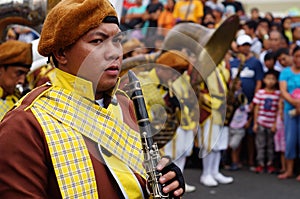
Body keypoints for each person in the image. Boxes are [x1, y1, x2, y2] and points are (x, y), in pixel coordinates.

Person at [0, 0, 185, 198]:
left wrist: (164, 180)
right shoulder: (25, 124)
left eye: (117, 41)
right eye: (97, 41)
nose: (114, 53)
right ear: (62, 53)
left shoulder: (124, 104)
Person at [278, 46, 300, 181]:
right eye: (296, 56)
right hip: (290, 110)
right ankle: (289, 170)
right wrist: (296, 103)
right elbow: (283, 91)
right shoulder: (285, 72)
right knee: (290, 140)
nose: (298, 59)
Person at [252, 70, 281, 174]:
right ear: (264, 80)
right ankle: (260, 163)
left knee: (271, 145)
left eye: (273, 79)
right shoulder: (260, 93)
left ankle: (270, 163)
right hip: (261, 122)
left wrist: (275, 123)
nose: (270, 81)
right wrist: (255, 123)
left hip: (272, 123)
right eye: (268, 79)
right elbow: (256, 108)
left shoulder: (278, 94)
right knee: (260, 144)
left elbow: (278, 109)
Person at [0, 40, 32, 120]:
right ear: (1, 69)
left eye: (25, 74)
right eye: (19, 73)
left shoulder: (18, 100)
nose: (22, 80)